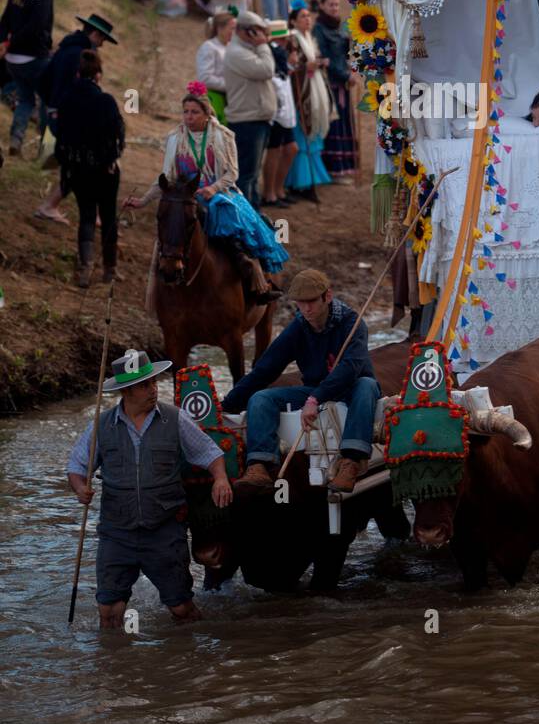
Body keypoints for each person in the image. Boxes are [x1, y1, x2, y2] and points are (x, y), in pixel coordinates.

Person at [67, 348, 232, 629]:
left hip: (164, 530)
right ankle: (117, 667)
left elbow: (210, 453)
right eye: (145, 385)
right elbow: (77, 466)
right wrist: (80, 488)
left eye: (154, 382)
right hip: (117, 532)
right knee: (108, 612)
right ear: (127, 391)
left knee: (181, 609)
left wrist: (220, 478)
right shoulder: (101, 425)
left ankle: (191, 660)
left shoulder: (175, 419)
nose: (153, 389)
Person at [224, 269, 380, 495]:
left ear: (327, 296)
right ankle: (258, 464)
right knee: (260, 398)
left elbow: (350, 368)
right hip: (313, 391)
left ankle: (351, 462)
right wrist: (227, 404)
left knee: (366, 384)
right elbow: (265, 370)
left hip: (352, 389)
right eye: (300, 303)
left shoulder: (353, 323)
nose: (306, 309)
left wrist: (315, 399)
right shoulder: (298, 328)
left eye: (311, 302)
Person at [128, 82, 286, 303]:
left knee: (225, 212)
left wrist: (212, 188)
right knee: (170, 219)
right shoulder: (175, 138)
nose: (189, 117)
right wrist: (143, 200)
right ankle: (161, 282)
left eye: (194, 112)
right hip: (186, 196)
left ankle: (249, 267)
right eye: (185, 112)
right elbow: (167, 177)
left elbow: (232, 173)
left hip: (219, 192)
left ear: (206, 113)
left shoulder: (223, 136)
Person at [36, 13, 118, 225]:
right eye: (102, 40)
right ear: (95, 34)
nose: (102, 45)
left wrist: (50, 105)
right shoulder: (79, 54)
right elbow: (76, 89)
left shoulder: (66, 48)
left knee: (79, 164)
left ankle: (66, 208)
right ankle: (50, 207)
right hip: (68, 116)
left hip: (59, 111)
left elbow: (45, 79)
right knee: (81, 163)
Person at [55, 50, 126, 287]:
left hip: (77, 169)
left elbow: (60, 136)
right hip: (105, 170)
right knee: (108, 218)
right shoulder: (105, 101)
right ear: (98, 75)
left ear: (77, 73)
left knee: (86, 216)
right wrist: (110, 158)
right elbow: (117, 135)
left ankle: (85, 268)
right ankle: (109, 270)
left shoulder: (66, 99)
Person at [0, 0, 69, 156]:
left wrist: (6, 44)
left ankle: (16, 139)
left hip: (13, 60)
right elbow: (37, 28)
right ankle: (46, 151)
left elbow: (4, 21)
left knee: (26, 99)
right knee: (49, 101)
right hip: (34, 58)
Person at [223, 10, 277, 207]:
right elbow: (267, 70)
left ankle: (253, 219)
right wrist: (263, 45)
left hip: (257, 119)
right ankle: (245, 221)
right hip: (247, 122)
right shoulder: (237, 53)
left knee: (253, 175)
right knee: (246, 176)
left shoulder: (248, 49)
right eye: (259, 31)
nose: (264, 36)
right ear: (248, 32)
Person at [286, 0, 334, 195]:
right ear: (294, 21)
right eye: (303, 16)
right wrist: (305, 67)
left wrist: (320, 63)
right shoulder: (293, 40)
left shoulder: (309, 39)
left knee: (312, 132)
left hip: (314, 92)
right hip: (301, 95)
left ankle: (312, 177)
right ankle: (300, 182)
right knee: (302, 133)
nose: (307, 19)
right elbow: (291, 68)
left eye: (308, 16)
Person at [314, 0, 357, 177]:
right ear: (322, 6)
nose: (334, 8)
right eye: (331, 5)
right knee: (334, 125)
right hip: (330, 84)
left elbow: (344, 55)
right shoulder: (319, 30)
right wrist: (345, 75)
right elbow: (324, 60)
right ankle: (334, 167)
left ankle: (347, 164)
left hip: (343, 82)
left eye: (337, 5)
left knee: (345, 122)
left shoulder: (340, 27)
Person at [262, 20, 299, 206]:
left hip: (285, 108)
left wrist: (290, 64)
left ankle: (278, 188)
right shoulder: (273, 51)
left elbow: (283, 74)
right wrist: (288, 63)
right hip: (277, 109)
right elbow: (275, 77)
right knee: (275, 149)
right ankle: (270, 192)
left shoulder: (279, 53)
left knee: (290, 149)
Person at [194, 10, 236, 123]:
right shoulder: (209, 47)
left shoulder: (230, 47)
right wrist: (230, 85)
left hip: (229, 99)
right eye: (231, 28)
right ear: (220, 28)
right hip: (214, 99)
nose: (234, 32)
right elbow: (205, 77)